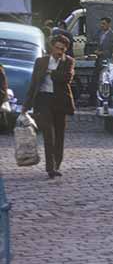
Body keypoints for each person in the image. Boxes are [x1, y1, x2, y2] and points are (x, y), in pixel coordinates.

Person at [24, 35, 75, 179]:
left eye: (63, 49)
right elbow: (34, 83)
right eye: (58, 48)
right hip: (43, 100)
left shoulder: (68, 61)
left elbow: (66, 78)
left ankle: (57, 164)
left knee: (59, 135)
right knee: (48, 135)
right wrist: (26, 106)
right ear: (52, 47)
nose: (60, 52)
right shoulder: (41, 62)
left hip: (60, 102)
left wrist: (51, 73)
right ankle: (50, 168)